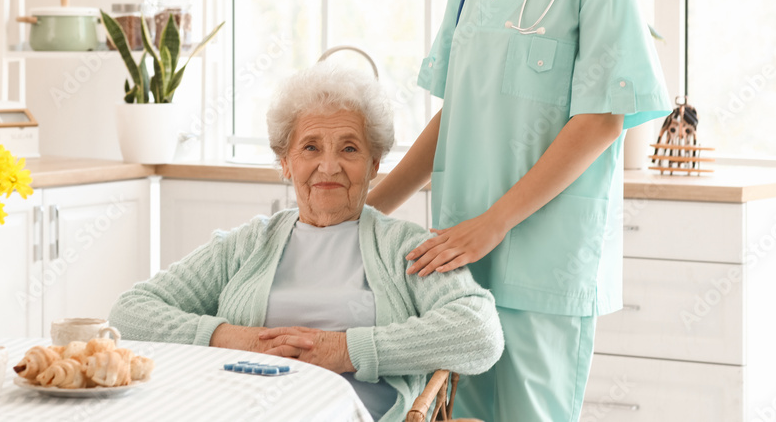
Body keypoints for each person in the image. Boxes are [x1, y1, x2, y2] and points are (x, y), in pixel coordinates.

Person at [366, 0, 670, 422]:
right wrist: (367, 208)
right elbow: (459, 116)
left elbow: (601, 120)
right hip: (458, 259)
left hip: (542, 259)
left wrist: (495, 223)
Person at [109, 63, 504, 422]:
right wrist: (235, 339)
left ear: (374, 163)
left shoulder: (404, 248)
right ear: (285, 162)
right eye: (311, 147)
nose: (328, 166)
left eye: (349, 148)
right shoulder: (246, 245)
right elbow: (128, 313)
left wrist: (347, 350)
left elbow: (480, 332)